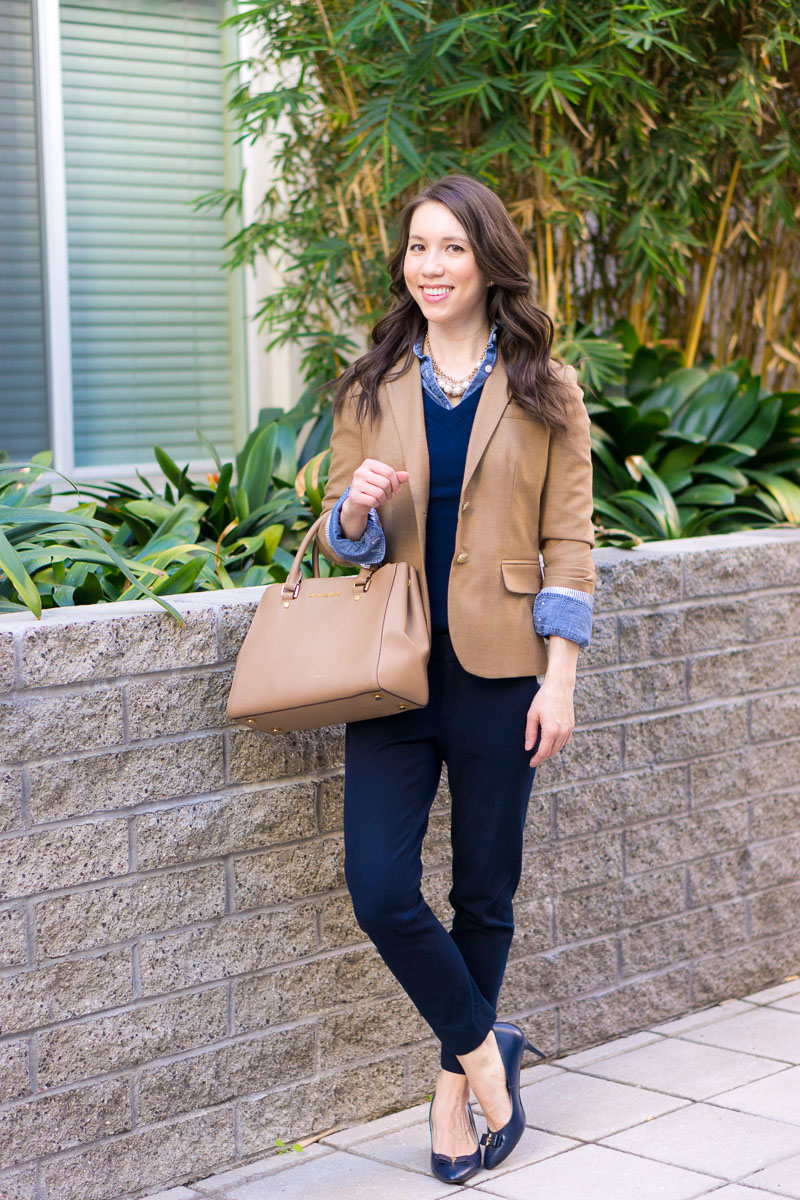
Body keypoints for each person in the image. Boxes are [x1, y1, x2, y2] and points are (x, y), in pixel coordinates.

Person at [316, 173, 595, 1182]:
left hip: (500, 675)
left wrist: (556, 681)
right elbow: (340, 541)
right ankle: (485, 1054)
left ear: (487, 262)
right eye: (416, 247)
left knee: (483, 893)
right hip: (390, 675)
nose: (428, 266)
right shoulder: (367, 383)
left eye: (450, 249)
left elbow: (567, 541)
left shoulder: (540, 385)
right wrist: (351, 508)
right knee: (380, 891)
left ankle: (449, 1097)